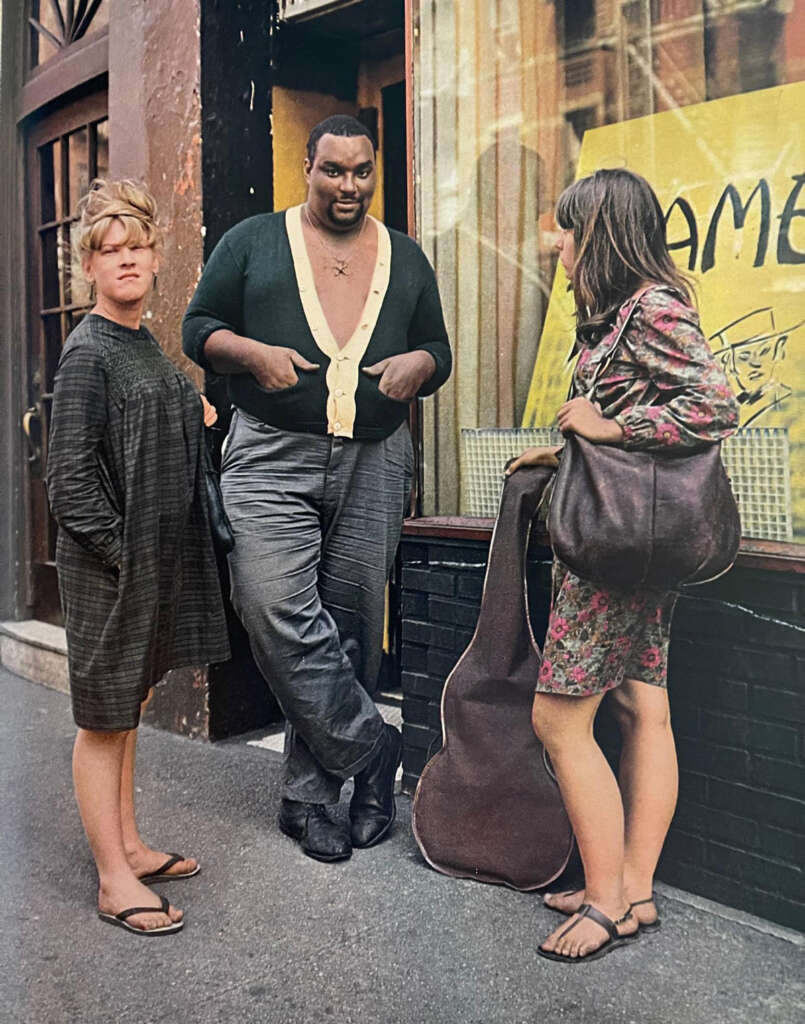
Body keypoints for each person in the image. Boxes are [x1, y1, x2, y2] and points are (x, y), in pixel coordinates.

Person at [182, 115, 451, 863]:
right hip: (270, 454)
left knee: (352, 625)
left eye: (361, 171)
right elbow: (196, 326)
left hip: (374, 458)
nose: (348, 186)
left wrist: (416, 369)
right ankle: (373, 749)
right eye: (333, 171)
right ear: (305, 167)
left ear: (374, 171)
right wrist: (248, 355)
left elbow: (439, 348)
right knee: (270, 606)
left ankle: (312, 798)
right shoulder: (252, 242)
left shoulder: (405, 258)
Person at [506, 168, 739, 963]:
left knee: (558, 717)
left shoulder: (650, 309)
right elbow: (628, 419)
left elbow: (714, 404)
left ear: (597, 234)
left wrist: (608, 429)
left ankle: (603, 901)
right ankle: (632, 889)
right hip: (632, 537)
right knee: (641, 707)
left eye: (567, 231)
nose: (557, 246)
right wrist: (569, 447)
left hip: (615, 553)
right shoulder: (616, 316)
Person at [47, 179, 230, 936]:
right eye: (108, 250)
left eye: (137, 246)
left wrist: (193, 408)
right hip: (111, 571)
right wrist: (127, 560)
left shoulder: (143, 342)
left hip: (145, 567)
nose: (125, 260)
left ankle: (129, 844)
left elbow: (151, 413)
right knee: (102, 721)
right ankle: (112, 879)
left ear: (157, 256)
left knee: (128, 712)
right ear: (89, 267)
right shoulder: (87, 352)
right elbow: (68, 481)